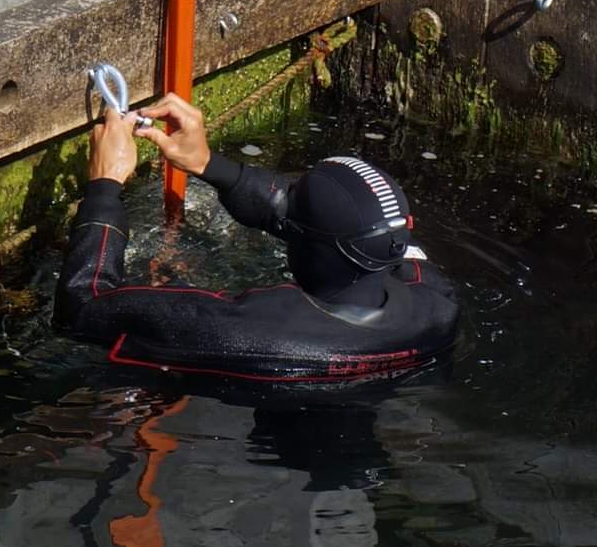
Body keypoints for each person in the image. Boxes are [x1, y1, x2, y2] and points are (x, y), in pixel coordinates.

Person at [52, 94, 460, 383]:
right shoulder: (437, 307)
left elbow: (81, 308)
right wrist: (207, 164)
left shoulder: (245, 330)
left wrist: (104, 186)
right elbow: (326, 225)